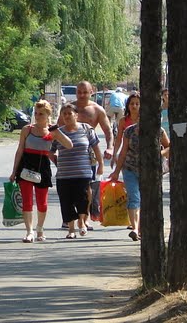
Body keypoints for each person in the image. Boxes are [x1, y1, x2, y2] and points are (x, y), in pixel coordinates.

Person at [108, 93, 170, 241]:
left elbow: (169, 147)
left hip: (150, 171)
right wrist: (116, 172)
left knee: (145, 199)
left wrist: (160, 153)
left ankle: (141, 228)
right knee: (134, 198)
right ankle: (135, 228)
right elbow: (123, 152)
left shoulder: (159, 131)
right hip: (130, 169)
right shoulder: (129, 131)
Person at [10, 99, 73, 243]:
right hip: (26, 166)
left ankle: (40, 229)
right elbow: (20, 150)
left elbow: (69, 145)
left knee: (42, 202)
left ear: (48, 115)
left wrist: (56, 132)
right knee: (27, 201)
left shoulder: (52, 131)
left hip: (42, 167)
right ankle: (29, 231)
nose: (38, 117)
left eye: (41, 114)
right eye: (36, 113)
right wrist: (14, 171)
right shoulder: (27, 129)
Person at [58, 80, 112, 227]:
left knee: (86, 187)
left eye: (85, 92)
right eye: (79, 92)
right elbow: (57, 130)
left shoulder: (97, 110)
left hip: (87, 154)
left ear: (91, 92)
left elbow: (108, 130)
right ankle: (69, 219)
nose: (81, 95)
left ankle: (84, 217)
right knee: (67, 187)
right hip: (68, 155)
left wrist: (110, 147)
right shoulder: (69, 109)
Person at [52, 103, 103, 238]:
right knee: (66, 202)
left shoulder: (86, 129)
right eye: (65, 114)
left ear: (76, 115)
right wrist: (57, 162)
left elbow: (96, 148)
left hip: (83, 172)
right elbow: (50, 151)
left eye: (70, 113)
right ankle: (71, 230)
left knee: (84, 199)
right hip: (64, 174)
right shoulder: (58, 133)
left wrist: (101, 165)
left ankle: (82, 222)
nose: (67, 116)